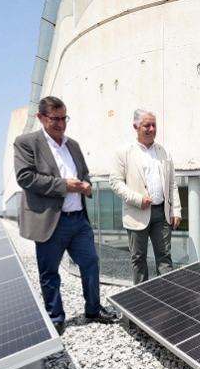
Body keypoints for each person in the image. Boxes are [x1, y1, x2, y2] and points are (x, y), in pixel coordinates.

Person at [14, 96, 119, 334]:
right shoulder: (26, 143)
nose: (61, 124)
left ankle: (93, 309)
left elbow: (85, 174)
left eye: (64, 118)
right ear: (41, 118)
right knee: (50, 272)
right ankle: (56, 317)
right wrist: (64, 185)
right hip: (51, 221)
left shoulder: (73, 145)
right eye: (55, 119)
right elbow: (25, 177)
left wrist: (86, 185)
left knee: (91, 263)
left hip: (78, 220)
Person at [109, 109, 182, 284]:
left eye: (153, 125)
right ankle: (142, 300)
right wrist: (137, 199)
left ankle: (168, 297)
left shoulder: (164, 152)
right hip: (136, 214)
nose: (151, 129)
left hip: (162, 213)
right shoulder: (123, 152)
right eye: (146, 125)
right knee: (138, 258)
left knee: (164, 257)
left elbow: (172, 183)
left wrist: (176, 210)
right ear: (136, 127)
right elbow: (115, 182)